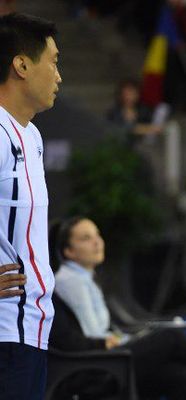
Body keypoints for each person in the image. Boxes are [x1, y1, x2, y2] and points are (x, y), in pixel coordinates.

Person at [50, 216, 186, 400]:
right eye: (86, 238)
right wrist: (117, 340)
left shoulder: (84, 278)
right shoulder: (70, 280)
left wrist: (126, 337)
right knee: (172, 338)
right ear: (69, 251)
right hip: (98, 365)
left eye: (97, 235)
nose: (97, 242)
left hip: (106, 357)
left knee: (178, 375)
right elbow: (94, 333)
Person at [0, 13, 61, 400]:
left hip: (32, 332)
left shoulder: (32, 135)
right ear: (21, 65)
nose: (58, 75)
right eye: (53, 61)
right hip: (5, 334)